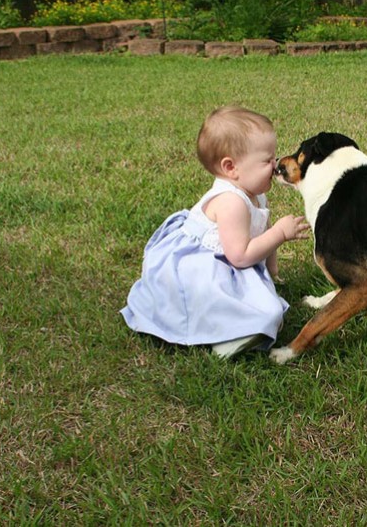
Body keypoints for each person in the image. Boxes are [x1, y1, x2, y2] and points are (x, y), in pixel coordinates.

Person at [121, 106, 310, 358]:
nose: (275, 166)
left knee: (268, 306)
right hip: (200, 273)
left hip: (228, 266)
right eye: (267, 160)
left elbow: (260, 233)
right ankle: (225, 338)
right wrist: (280, 233)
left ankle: (238, 327)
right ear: (231, 167)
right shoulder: (231, 202)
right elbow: (240, 256)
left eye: (273, 158)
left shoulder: (257, 194)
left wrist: (271, 270)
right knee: (268, 313)